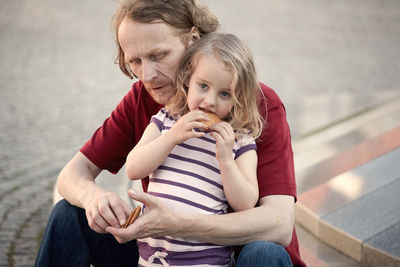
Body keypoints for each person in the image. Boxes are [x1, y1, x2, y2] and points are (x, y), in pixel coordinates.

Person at [35, 0, 306, 266]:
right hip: (158, 254)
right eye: (135, 61)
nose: (148, 75)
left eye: (158, 55)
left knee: (263, 253)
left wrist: (181, 225)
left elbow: (279, 225)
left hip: (232, 259)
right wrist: (94, 197)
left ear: (192, 40)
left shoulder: (258, 105)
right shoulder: (145, 99)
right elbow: (72, 174)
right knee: (68, 215)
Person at [125, 32, 262, 266]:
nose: (209, 101)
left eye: (224, 93)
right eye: (203, 86)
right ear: (188, 79)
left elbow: (246, 203)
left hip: (207, 260)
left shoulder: (240, 141)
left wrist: (226, 159)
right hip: (154, 258)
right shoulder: (166, 121)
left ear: (239, 97)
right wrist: (171, 138)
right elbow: (133, 168)